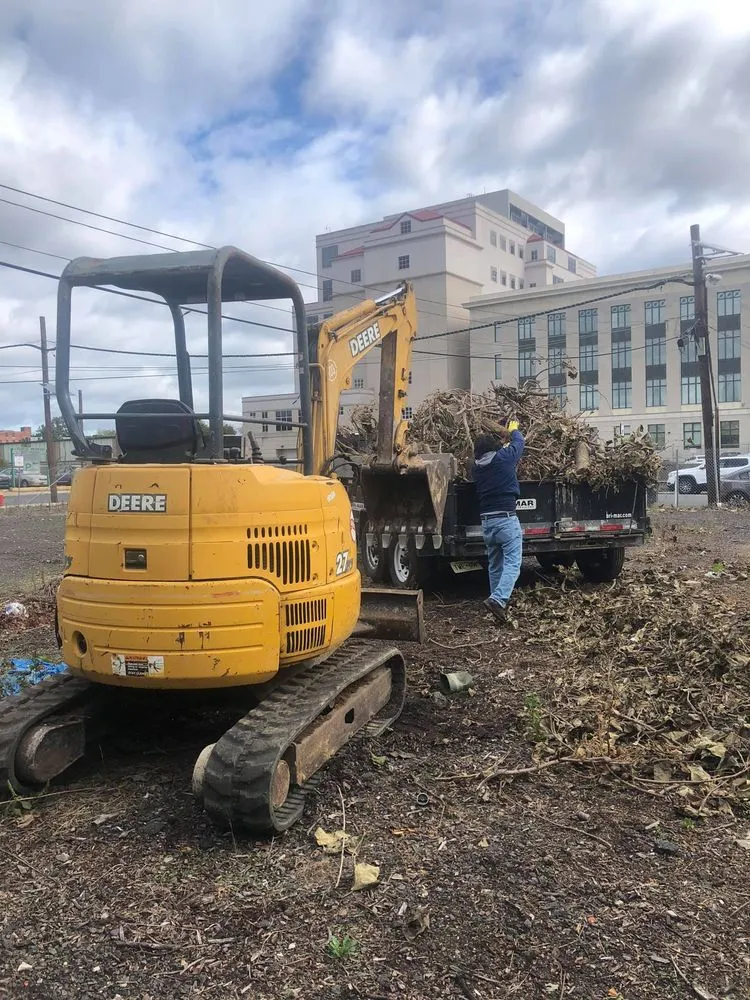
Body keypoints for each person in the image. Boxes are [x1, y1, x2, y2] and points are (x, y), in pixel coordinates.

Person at [472, 420, 525, 624]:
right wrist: (513, 431)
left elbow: (490, 457)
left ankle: (496, 609)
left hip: (487, 522)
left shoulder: (476, 468)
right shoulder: (503, 459)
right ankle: (498, 599)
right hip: (506, 519)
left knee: (495, 565)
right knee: (513, 563)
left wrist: (502, 443)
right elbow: (519, 443)